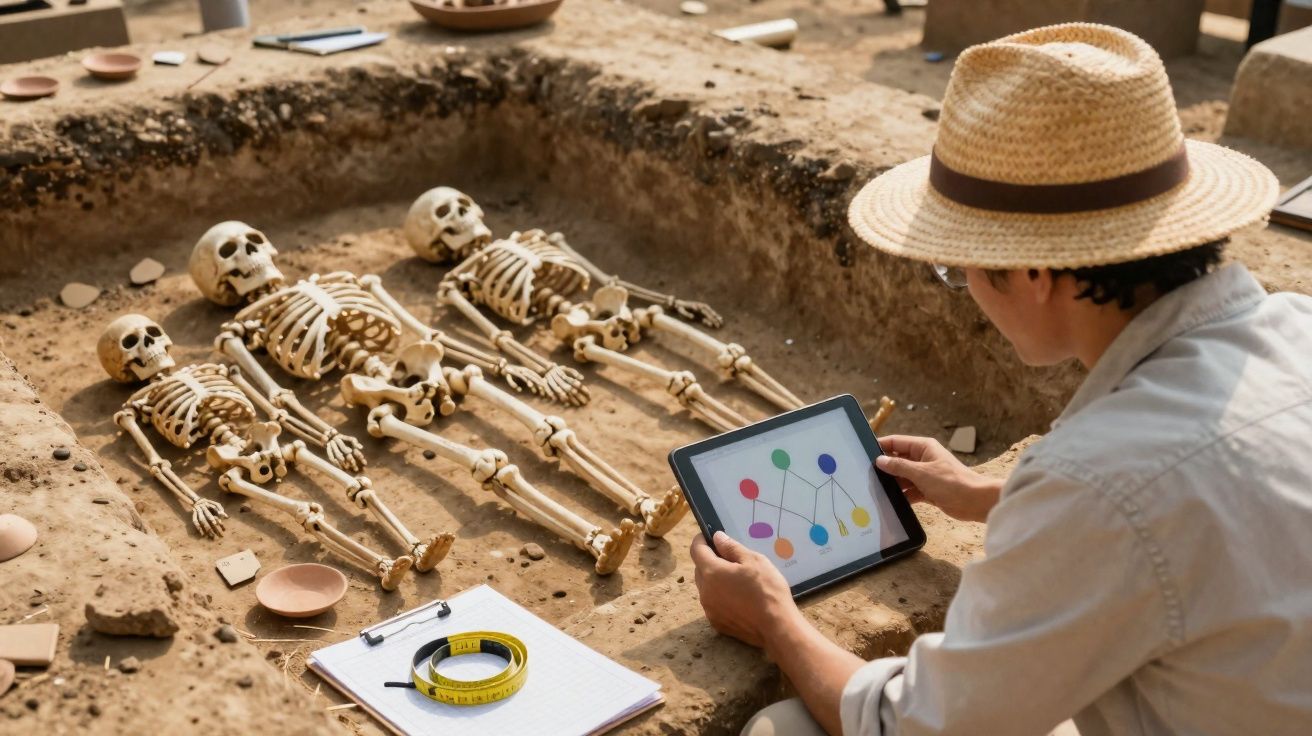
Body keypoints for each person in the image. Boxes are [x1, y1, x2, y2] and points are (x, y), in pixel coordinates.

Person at [688, 22, 1312, 736]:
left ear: (1036, 273)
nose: (967, 290)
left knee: (782, 729)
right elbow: (1211, 507)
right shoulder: (1298, 327)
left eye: (961, 268)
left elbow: (911, 727)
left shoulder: (1097, 479)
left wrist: (771, 616)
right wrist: (993, 496)